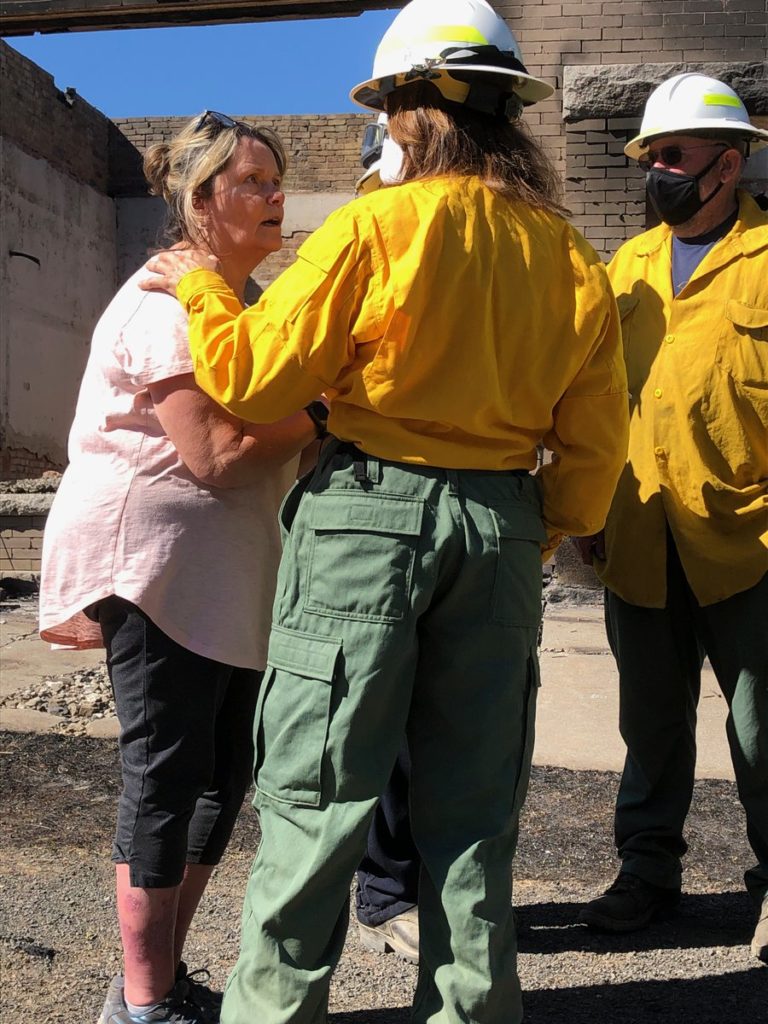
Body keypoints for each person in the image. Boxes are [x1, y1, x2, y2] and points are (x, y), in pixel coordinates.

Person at [143, 2, 629, 1020]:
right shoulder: (571, 253)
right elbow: (593, 451)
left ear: (412, 112)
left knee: (320, 794)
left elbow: (253, 374)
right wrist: (524, 529)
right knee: (472, 810)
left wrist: (199, 291)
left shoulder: (372, 227)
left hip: (369, 520)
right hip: (499, 527)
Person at [39, 112, 327, 1024]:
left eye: (277, 180)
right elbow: (214, 454)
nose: (277, 196)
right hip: (157, 565)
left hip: (225, 568)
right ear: (201, 201)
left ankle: (149, 981)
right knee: (165, 773)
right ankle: (142, 1002)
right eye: (254, 183)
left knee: (220, 774)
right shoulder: (166, 304)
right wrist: (325, 412)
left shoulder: (234, 306)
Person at [573, 73, 768, 965]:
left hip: (749, 543)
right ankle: (646, 871)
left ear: (729, 164)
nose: (658, 172)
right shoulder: (629, 266)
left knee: (763, 728)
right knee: (649, 726)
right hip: (639, 534)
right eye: (651, 157)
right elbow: (597, 400)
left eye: (675, 157)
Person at [351, 110, 422, 965]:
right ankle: (386, 887)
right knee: (377, 716)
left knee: (434, 720)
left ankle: (406, 885)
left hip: (435, 504)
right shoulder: (358, 239)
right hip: (367, 505)